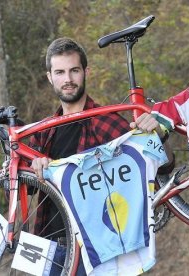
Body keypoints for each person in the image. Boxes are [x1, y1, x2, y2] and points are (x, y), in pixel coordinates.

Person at [29, 37, 173, 273]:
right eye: (60, 72)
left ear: (86, 72)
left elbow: (161, 165)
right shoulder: (44, 131)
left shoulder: (106, 121)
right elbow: (18, 188)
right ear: (49, 77)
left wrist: (155, 134)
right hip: (52, 247)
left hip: (96, 249)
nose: (67, 79)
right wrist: (34, 167)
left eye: (74, 71)